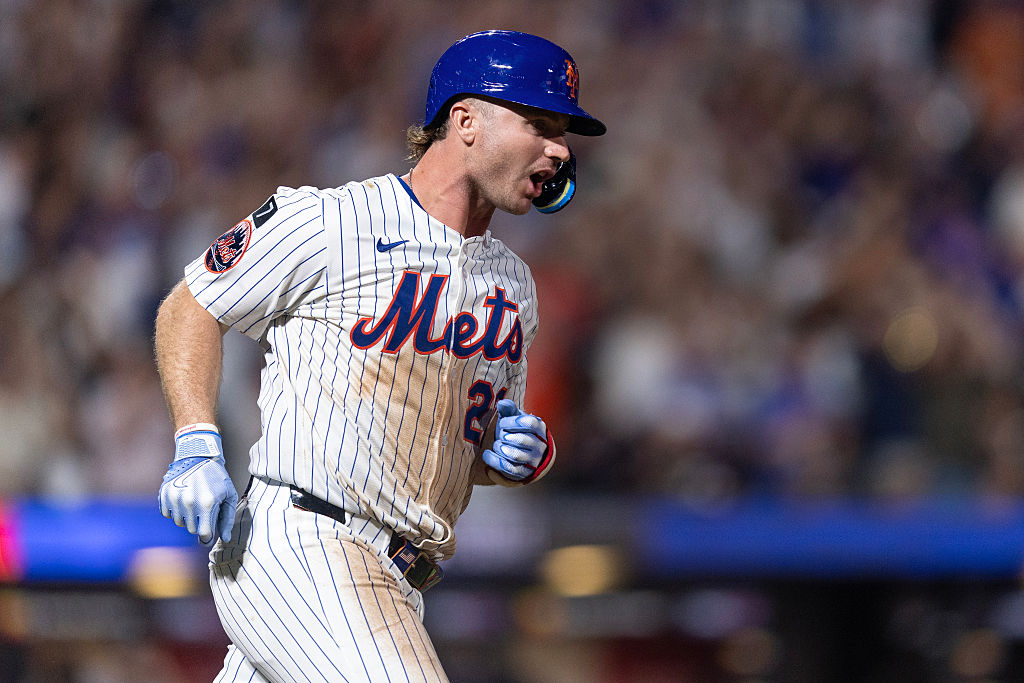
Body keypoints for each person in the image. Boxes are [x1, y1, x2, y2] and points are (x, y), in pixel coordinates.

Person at [154, 29, 605, 682]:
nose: (559, 149)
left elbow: (459, 448)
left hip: (398, 573)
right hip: (303, 536)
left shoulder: (514, 286)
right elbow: (193, 303)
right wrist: (196, 439)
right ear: (466, 120)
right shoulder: (332, 222)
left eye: (562, 132)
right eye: (539, 123)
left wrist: (502, 457)